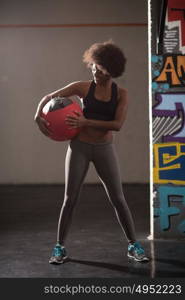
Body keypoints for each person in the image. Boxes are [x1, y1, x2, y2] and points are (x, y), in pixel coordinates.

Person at [34, 41, 149, 264]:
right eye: (94, 66)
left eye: (101, 69)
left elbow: (117, 125)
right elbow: (49, 97)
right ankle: (60, 248)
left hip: (104, 149)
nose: (95, 71)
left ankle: (133, 245)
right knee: (70, 198)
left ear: (111, 71)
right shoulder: (83, 87)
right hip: (79, 147)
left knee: (118, 198)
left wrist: (86, 121)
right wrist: (37, 115)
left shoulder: (121, 94)